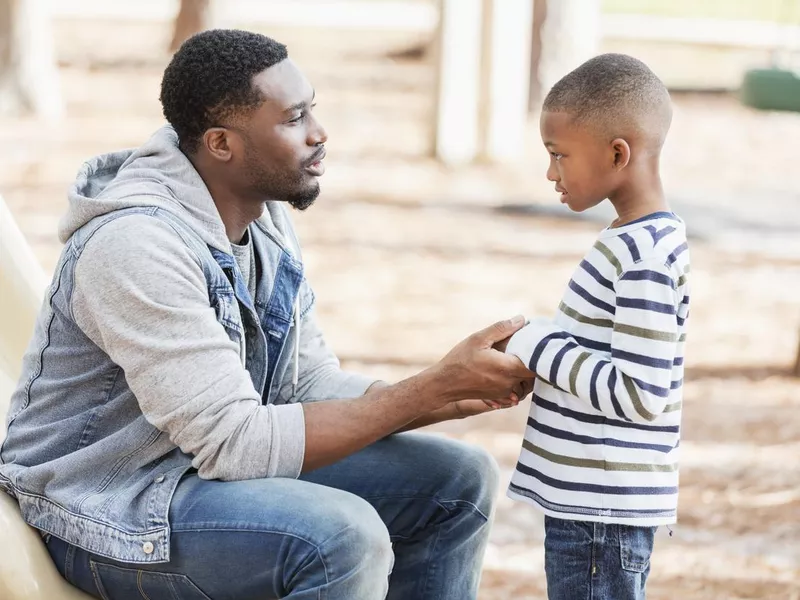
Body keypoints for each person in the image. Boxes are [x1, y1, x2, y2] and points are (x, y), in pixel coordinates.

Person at [0, 29, 534, 600]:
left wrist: (445, 396)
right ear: (222, 144)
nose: (320, 134)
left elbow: (305, 384)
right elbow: (236, 444)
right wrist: (423, 392)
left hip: (194, 473)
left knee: (456, 481)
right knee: (339, 538)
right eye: (294, 118)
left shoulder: (259, 216)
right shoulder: (135, 245)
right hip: (103, 506)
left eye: (313, 110)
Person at [500, 53, 690, 600]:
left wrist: (537, 343)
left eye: (559, 155)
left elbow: (640, 391)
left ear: (618, 153)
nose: (550, 173)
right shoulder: (631, 240)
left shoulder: (645, 254)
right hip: (591, 504)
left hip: (601, 511)